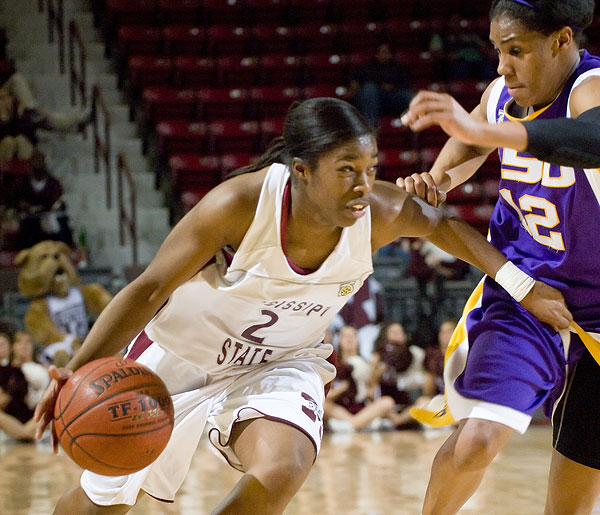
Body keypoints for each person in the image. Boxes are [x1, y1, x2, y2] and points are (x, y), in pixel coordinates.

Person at [33, 96, 570, 515]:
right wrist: (74, 371)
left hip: (282, 360)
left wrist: (523, 286)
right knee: (106, 499)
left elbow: (447, 226)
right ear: (302, 169)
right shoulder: (238, 204)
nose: (363, 185)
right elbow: (148, 291)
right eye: (346, 170)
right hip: (183, 358)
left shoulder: (377, 211)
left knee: (283, 467)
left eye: (370, 167)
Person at [398, 1, 600, 513]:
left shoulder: (590, 87)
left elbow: (593, 138)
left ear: (562, 40)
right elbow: (464, 152)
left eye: (516, 51)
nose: (502, 66)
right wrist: (438, 180)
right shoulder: (500, 98)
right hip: (526, 290)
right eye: (497, 51)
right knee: (477, 441)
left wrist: (484, 132)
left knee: (572, 497)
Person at [324, 325, 400, 432]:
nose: (349, 339)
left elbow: (372, 396)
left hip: (362, 408)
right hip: (341, 410)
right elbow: (326, 396)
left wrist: (374, 375)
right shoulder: (332, 365)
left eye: (353, 336)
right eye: (345, 336)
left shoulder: (367, 364)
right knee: (323, 405)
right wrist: (340, 390)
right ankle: (358, 423)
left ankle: (352, 424)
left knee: (387, 402)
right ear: (339, 341)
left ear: (358, 341)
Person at [10, 151, 74, 248]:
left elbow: (59, 202)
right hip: (29, 217)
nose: (37, 167)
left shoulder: (53, 182)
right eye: (34, 164)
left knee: (60, 225)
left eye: (40, 164)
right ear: (29, 166)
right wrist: (25, 206)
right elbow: (16, 201)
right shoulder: (22, 182)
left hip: (50, 215)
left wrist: (57, 206)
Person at [348, 43, 414, 126]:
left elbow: (406, 85)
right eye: (381, 52)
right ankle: (371, 127)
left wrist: (391, 87)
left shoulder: (399, 68)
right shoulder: (367, 67)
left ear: (391, 54)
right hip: (372, 100)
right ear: (376, 54)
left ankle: (414, 127)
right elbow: (355, 81)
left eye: (386, 52)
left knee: (410, 96)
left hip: (392, 98)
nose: (384, 55)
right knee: (369, 89)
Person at [0, 85, 36, 163]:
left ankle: (25, 172)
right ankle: (5, 172)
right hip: (5, 148)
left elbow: (28, 133)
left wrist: (19, 117)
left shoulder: (20, 109)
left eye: (4, 98)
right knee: (8, 141)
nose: (2, 101)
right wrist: (3, 118)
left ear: (11, 98)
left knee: (20, 140)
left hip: (23, 145)